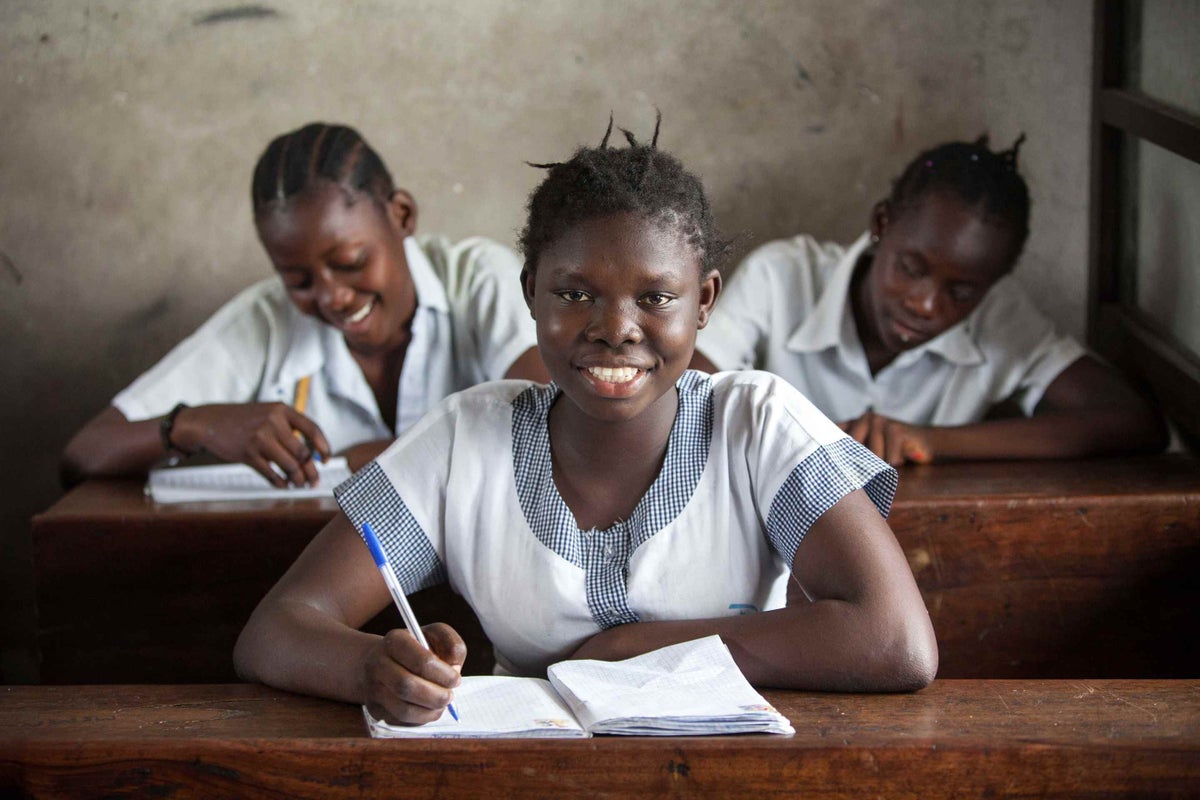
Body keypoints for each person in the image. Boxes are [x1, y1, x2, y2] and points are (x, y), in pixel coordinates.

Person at [234, 117, 937, 726]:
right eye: (573, 293)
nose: (614, 330)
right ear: (530, 293)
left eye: (657, 297)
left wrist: (631, 649)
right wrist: (371, 668)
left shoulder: (757, 424)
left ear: (705, 301)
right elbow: (276, 630)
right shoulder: (463, 440)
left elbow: (897, 641)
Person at [61, 122, 547, 488]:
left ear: (401, 215)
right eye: (298, 279)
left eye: (352, 261)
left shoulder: (477, 278)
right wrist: (197, 424)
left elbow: (550, 420)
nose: (332, 296)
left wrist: (372, 458)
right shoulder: (267, 319)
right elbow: (84, 454)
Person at [692, 136, 1167, 465]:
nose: (925, 304)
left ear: (993, 283)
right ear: (881, 225)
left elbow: (1132, 423)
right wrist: (802, 439)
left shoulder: (999, 317)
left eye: (960, 292)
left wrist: (928, 441)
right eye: (911, 268)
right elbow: (689, 391)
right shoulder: (783, 276)